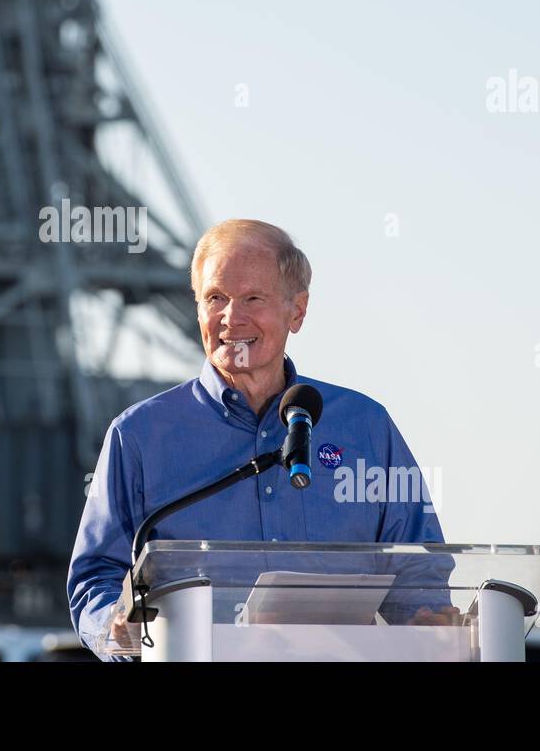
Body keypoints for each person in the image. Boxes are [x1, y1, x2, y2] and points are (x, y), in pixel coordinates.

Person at [66, 219, 456, 659]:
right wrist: (116, 625)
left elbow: (417, 567)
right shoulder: (137, 436)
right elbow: (94, 579)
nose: (232, 317)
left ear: (297, 311)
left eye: (253, 298)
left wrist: (429, 619)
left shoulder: (367, 428)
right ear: (198, 308)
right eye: (215, 298)